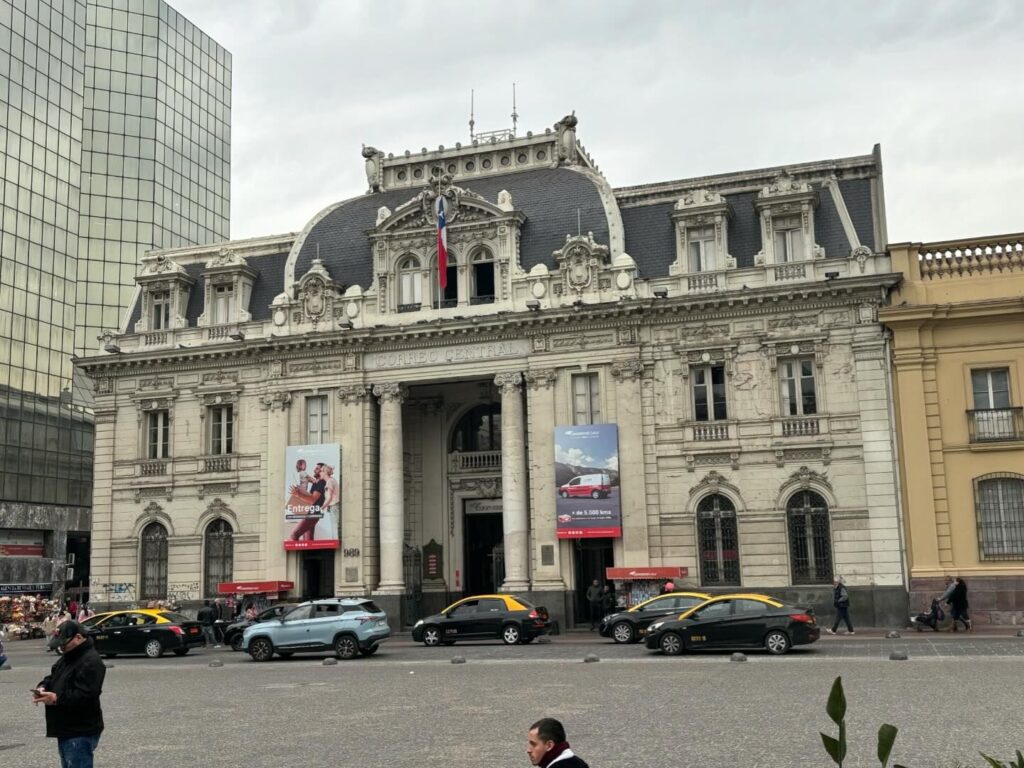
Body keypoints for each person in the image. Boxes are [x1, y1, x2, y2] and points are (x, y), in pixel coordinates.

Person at [33, 620, 106, 768]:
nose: (61, 647)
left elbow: (85, 695)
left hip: (80, 729)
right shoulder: (69, 656)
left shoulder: (91, 661)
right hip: (67, 727)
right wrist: (42, 687)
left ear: (78, 637)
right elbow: (53, 677)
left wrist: (56, 699)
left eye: (64, 644)